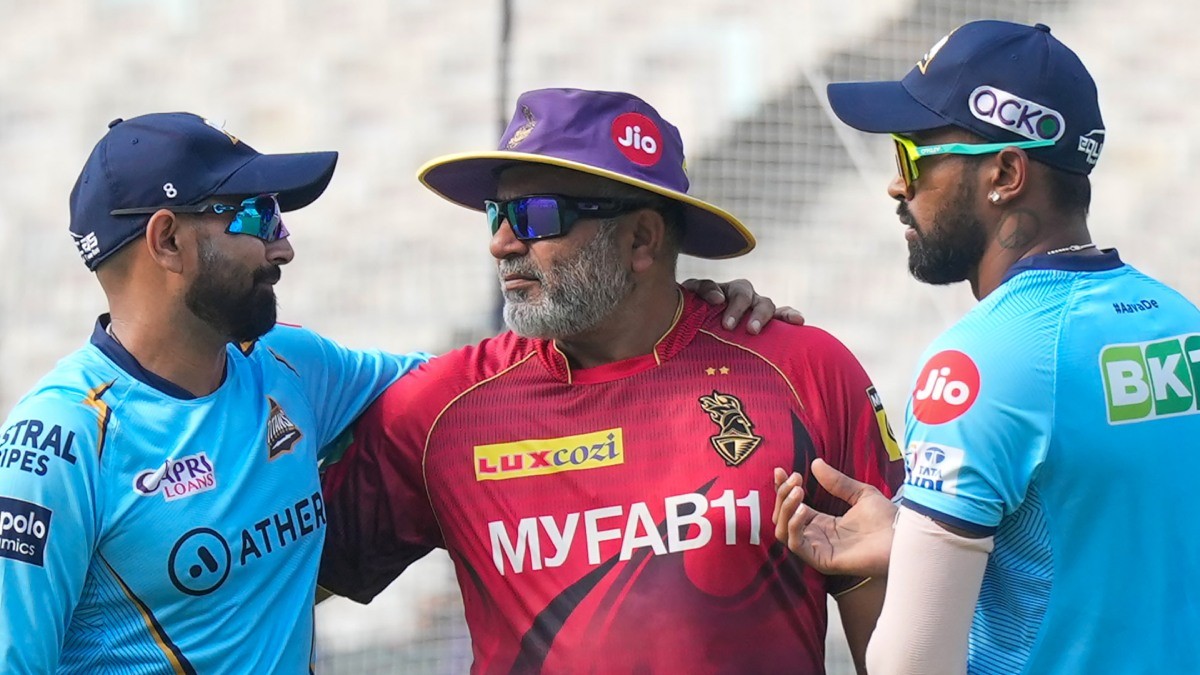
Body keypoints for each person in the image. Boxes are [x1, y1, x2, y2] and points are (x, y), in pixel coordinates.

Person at [0, 112, 785, 673]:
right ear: (167, 240)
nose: (283, 244)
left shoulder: (291, 365)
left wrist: (665, 311)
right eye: (255, 215)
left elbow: (487, 386)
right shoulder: (57, 443)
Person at [317, 87, 905, 675]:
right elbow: (276, 579)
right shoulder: (442, 409)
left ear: (641, 238)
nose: (501, 244)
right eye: (497, 215)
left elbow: (897, 632)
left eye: (536, 216)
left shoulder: (803, 370)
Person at [773, 19, 1200, 674]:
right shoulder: (1178, 320)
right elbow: (1108, 549)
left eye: (912, 157)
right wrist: (914, 538)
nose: (897, 187)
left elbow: (911, 665)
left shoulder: (978, 362)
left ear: (1004, 172)